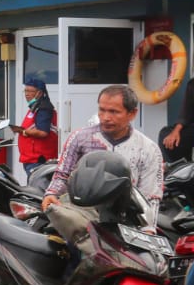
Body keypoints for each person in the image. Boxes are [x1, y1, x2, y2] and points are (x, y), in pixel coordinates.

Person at [42, 84, 163, 229]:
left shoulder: (148, 149)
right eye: (102, 110)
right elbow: (62, 175)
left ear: (132, 113)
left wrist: (148, 229)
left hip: (126, 224)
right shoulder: (79, 138)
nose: (106, 117)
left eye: (114, 112)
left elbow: (151, 196)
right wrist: (51, 193)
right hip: (81, 220)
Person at [17, 77, 59, 174]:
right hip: (31, 159)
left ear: (39, 93)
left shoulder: (44, 109)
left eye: (30, 91)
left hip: (39, 160)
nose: (27, 94)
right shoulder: (35, 108)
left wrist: (23, 131)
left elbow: (43, 132)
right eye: (25, 91)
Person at [162, 80, 194, 163]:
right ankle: (184, 168)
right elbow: (185, 113)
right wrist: (176, 131)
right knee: (166, 136)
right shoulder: (192, 84)